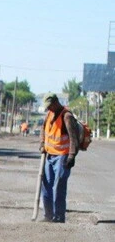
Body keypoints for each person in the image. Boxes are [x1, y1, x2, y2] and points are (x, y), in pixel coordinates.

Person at [38, 94, 79, 223]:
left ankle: (59, 217)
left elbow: (74, 138)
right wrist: (42, 144)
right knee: (47, 185)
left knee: (58, 186)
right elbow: (43, 129)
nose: (48, 109)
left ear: (56, 103)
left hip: (63, 156)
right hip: (49, 155)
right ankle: (48, 215)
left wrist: (72, 156)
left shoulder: (67, 116)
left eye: (50, 106)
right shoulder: (49, 114)